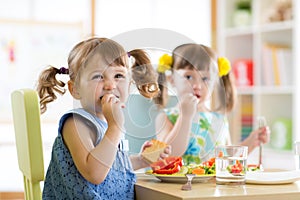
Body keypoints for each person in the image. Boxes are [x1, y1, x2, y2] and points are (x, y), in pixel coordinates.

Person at [36, 37, 171, 199]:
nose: (110, 85)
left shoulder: (108, 124)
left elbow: (111, 167)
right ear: (75, 89)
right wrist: (115, 128)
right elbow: (94, 173)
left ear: (129, 84)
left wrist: (141, 160)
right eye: (98, 76)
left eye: (119, 76)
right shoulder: (75, 123)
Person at [154, 43, 270, 165]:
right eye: (188, 76)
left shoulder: (219, 119)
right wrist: (185, 116)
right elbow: (169, 156)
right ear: (172, 79)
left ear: (214, 82)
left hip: (213, 184)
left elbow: (228, 159)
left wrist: (251, 142)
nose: (197, 85)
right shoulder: (166, 117)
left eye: (205, 79)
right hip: (180, 184)